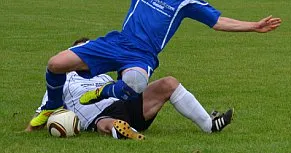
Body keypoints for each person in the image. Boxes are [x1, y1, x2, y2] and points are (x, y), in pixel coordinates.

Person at [29, 0, 281, 129]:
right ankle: (51, 107)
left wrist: (254, 26)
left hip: (142, 56)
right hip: (117, 42)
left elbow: (217, 21)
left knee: (136, 83)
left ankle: (103, 93)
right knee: (55, 63)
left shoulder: (185, 0)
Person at [27, 38, 233, 140]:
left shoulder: (102, 73)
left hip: (127, 104)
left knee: (168, 83)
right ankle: (124, 130)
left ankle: (209, 125)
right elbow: (45, 108)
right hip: (98, 115)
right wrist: (30, 129)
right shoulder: (63, 77)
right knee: (104, 122)